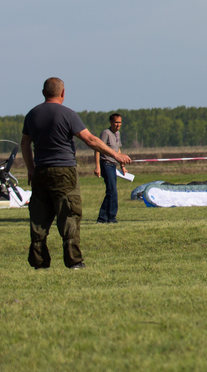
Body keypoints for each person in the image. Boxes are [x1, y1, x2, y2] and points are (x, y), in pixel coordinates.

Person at [21, 78, 132, 269]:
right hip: (64, 171)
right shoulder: (68, 114)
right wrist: (116, 155)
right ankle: (73, 260)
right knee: (69, 214)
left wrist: (31, 169)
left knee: (39, 216)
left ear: (43, 93)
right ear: (63, 93)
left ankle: (39, 262)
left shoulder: (32, 115)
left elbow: (24, 144)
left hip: (40, 170)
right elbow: (90, 140)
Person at [93, 113, 127, 223]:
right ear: (111, 122)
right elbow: (97, 148)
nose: (118, 125)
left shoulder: (118, 134)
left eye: (120, 122)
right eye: (116, 122)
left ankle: (103, 218)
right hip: (106, 164)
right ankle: (110, 218)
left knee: (111, 191)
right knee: (112, 191)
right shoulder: (106, 133)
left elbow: (118, 151)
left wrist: (122, 165)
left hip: (113, 165)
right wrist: (97, 166)